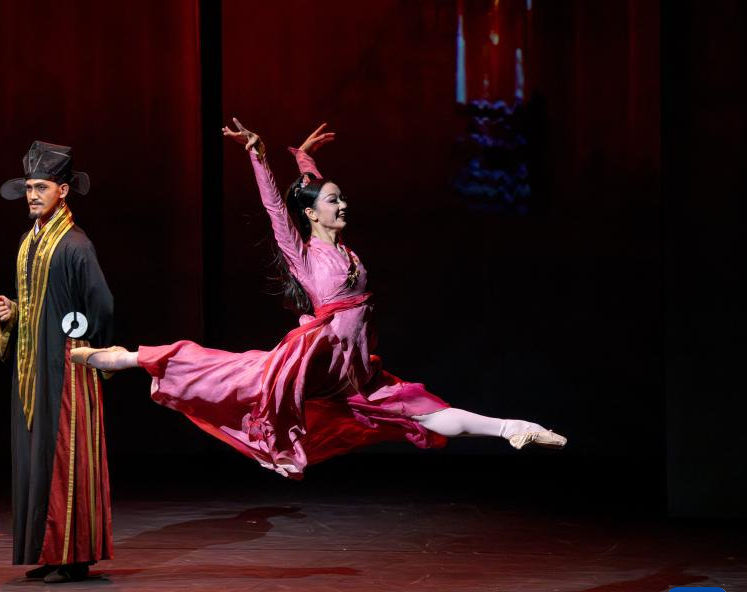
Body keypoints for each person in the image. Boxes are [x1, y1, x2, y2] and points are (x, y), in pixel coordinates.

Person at [71, 121, 564, 479]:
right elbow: (276, 207)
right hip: (320, 356)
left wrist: (304, 159)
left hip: (355, 368)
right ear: (311, 215)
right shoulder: (303, 254)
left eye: (341, 198)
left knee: (423, 409)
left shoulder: (344, 248)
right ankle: (121, 358)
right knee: (227, 371)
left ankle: (512, 428)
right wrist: (258, 156)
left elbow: (312, 191)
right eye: (334, 200)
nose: (343, 204)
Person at [0, 140, 114, 582]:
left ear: (62, 190)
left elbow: (102, 305)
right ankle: (47, 551)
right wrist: (14, 313)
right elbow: (38, 304)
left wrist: (92, 351)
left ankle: (73, 557)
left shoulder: (76, 244)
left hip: (66, 365)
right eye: (28, 188)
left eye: (40, 187)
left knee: (65, 454)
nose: (32, 195)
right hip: (34, 366)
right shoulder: (30, 242)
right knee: (37, 454)